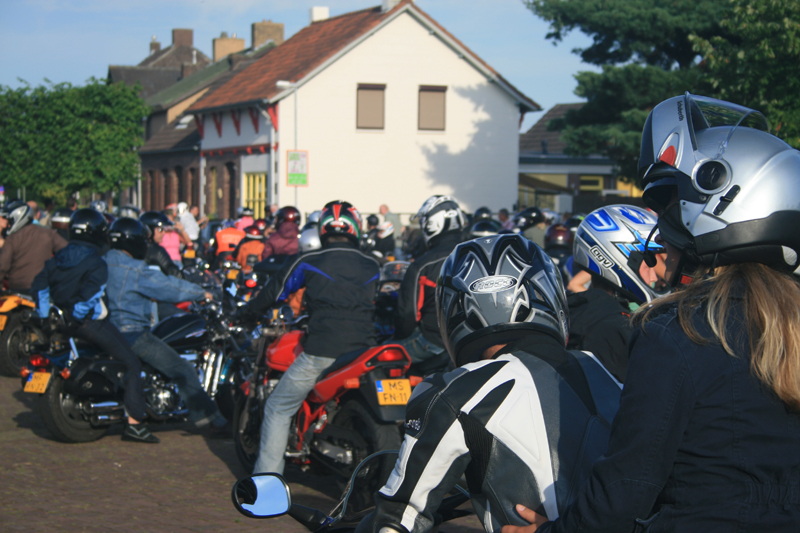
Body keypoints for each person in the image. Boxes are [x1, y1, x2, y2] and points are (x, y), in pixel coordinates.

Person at [504, 94, 800, 532]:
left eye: (672, 214)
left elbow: (626, 486)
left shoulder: (679, 333)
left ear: (721, 200)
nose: (663, 239)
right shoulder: (787, 327)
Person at [357, 234, 621, 533]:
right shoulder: (610, 369)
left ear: (455, 309)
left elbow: (398, 519)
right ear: (547, 292)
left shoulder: (456, 392)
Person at [242, 200, 380, 475]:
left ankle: (265, 481)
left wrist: (246, 314)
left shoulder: (309, 261)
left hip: (322, 350)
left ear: (323, 230)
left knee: (278, 408)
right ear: (356, 228)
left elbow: (275, 293)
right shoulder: (372, 265)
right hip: (365, 351)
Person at [31, 209, 158, 443]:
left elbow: (39, 286)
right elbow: (92, 293)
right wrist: (76, 315)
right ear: (99, 233)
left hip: (62, 323)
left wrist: (45, 314)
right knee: (131, 363)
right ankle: (136, 424)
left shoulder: (57, 257)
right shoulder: (96, 261)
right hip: (89, 323)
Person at [104, 218, 228, 434]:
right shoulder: (134, 269)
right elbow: (167, 286)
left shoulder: (102, 261)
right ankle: (210, 421)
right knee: (183, 369)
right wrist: (201, 293)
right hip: (132, 332)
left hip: (106, 332)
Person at [567, 205, 668, 382]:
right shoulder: (621, 331)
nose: (653, 276)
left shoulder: (573, 311)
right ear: (618, 256)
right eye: (649, 263)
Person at [395, 195, 466, 363]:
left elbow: (407, 316)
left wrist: (396, 334)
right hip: (470, 340)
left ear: (432, 224)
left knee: (382, 354)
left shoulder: (423, 264)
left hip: (434, 342)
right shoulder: (477, 253)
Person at [0, 201, 67, 293]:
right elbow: (67, 252)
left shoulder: (12, 239)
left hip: (18, 290)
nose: (8, 225)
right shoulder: (48, 233)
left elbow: (2, 266)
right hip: (43, 289)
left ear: (19, 217)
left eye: (11, 221)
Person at [139, 211, 182, 278]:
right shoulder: (156, 251)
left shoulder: (137, 247)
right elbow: (175, 274)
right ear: (149, 230)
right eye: (160, 229)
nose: (163, 233)